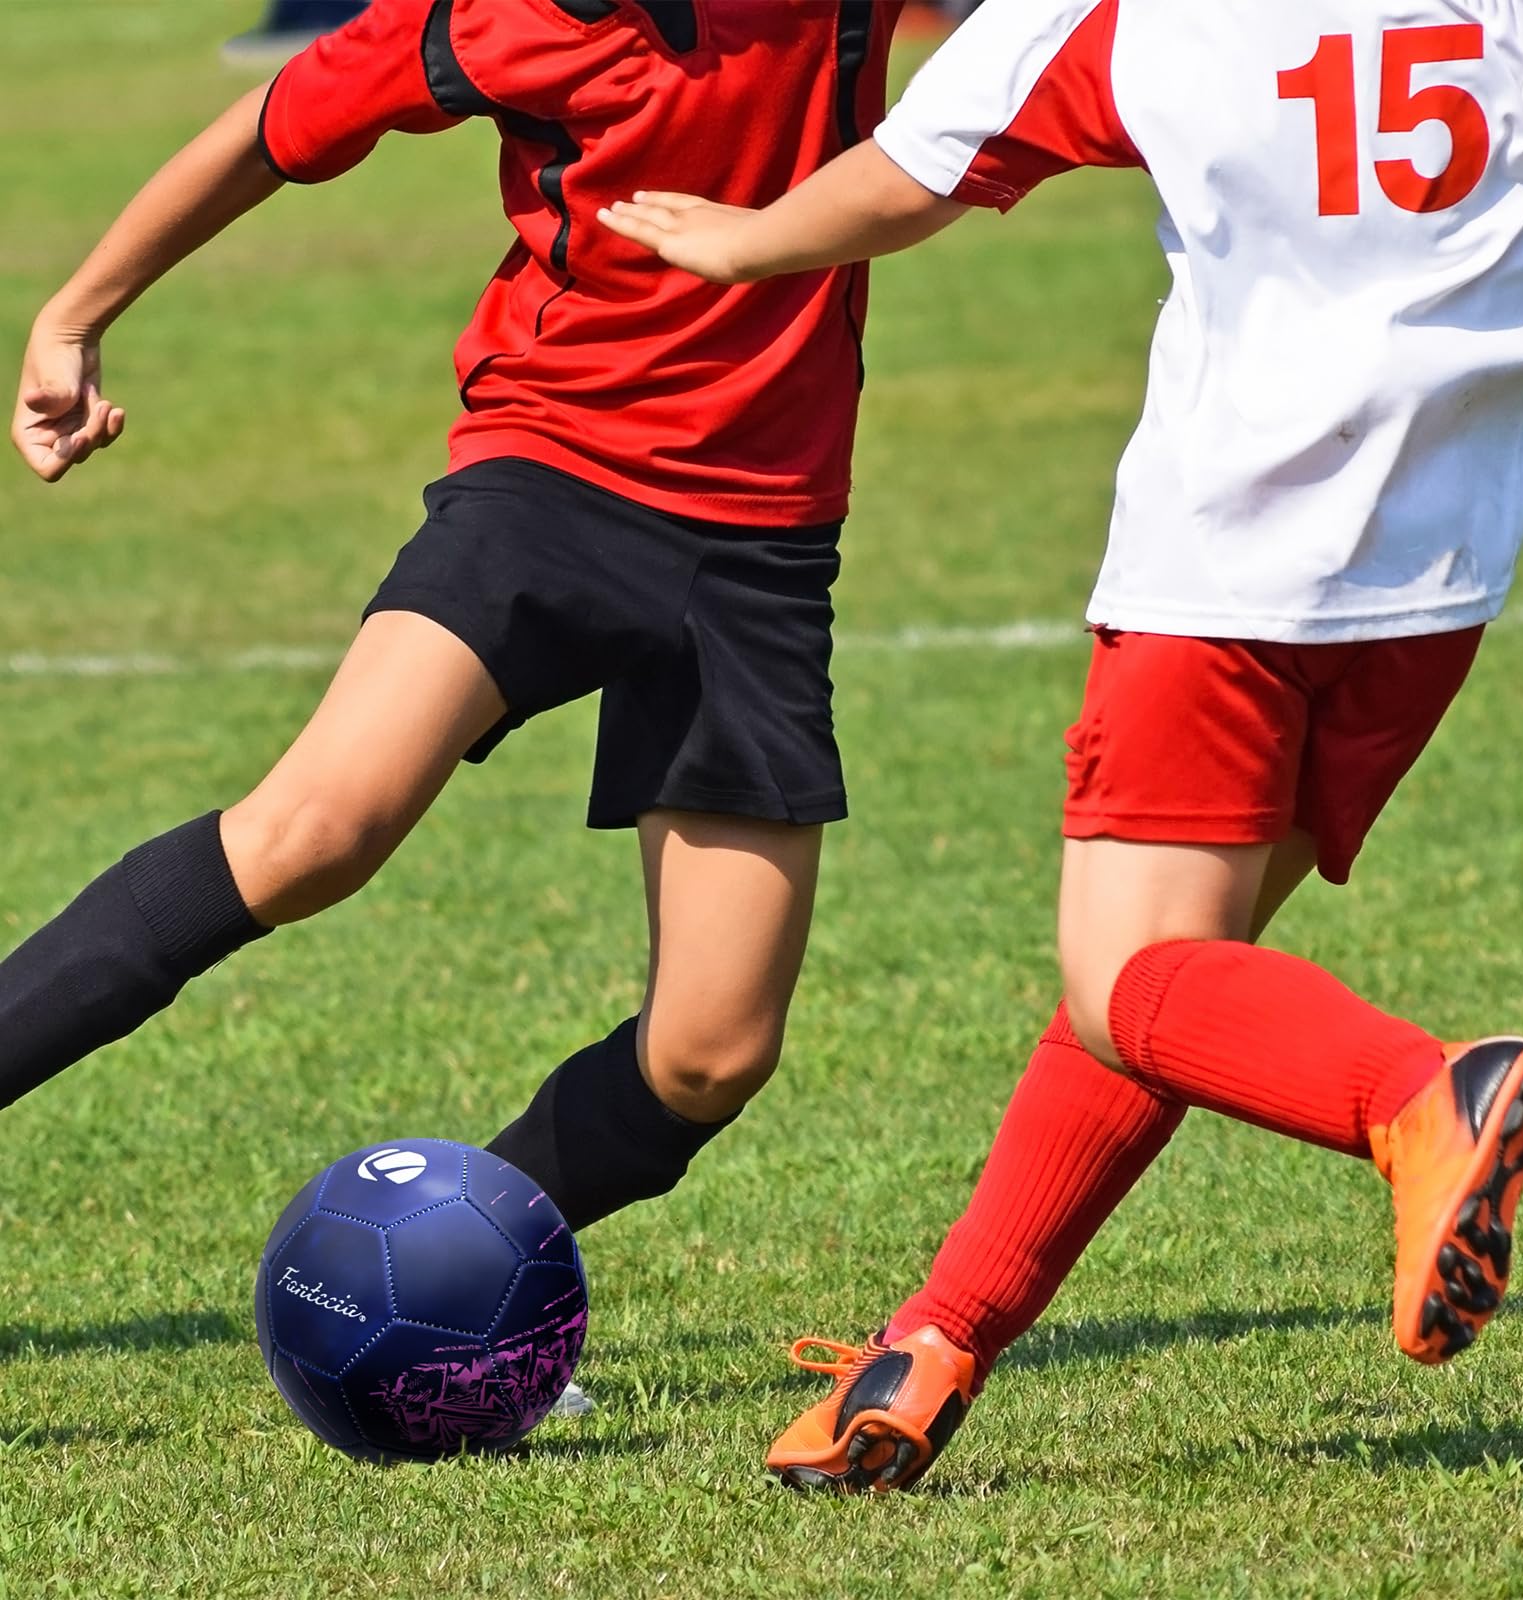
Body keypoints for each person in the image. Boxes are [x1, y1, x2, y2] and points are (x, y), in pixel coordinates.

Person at [598, 0, 1523, 1490]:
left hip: (1232, 563)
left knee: (1134, 981)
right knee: (1177, 985)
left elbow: (923, 164)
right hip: (1438, 573)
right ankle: (932, 1347)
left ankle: (1417, 1097)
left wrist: (747, 242)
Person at [5, 0, 899, 1360]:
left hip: (764, 550)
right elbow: (272, 125)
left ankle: (426, 1289)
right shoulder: (508, 14)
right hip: (547, 480)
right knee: (315, 833)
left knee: (709, 1056)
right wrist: (75, 314)